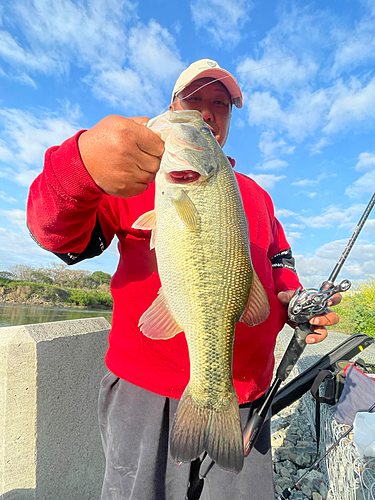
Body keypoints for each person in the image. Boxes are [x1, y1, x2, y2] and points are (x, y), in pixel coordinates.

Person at [27, 59, 341, 500]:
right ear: (170, 106)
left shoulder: (258, 196)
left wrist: (293, 302)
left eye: (221, 103)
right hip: (144, 394)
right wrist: (81, 164)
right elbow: (54, 234)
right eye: (193, 101)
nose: (208, 112)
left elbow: (277, 267)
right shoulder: (132, 179)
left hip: (245, 393)